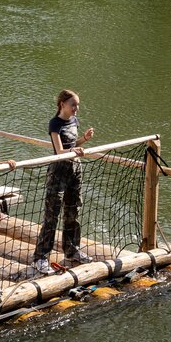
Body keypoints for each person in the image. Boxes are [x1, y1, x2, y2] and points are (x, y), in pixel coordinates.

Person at [33, 90, 96, 274]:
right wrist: (74, 151)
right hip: (58, 171)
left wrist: (83, 140)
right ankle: (40, 257)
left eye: (77, 105)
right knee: (51, 216)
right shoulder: (55, 124)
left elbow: (73, 144)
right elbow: (59, 151)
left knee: (73, 211)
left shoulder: (74, 121)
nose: (76, 108)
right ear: (62, 104)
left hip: (75, 170)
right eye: (73, 105)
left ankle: (72, 251)